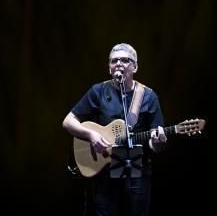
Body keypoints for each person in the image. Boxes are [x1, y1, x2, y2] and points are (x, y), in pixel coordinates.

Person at [63, 43, 167, 216]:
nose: (118, 63)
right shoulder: (98, 91)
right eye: (114, 61)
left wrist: (158, 142)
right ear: (109, 68)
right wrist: (91, 134)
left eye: (125, 60)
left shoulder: (148, 96)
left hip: (138, 173)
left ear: (135, 67)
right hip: (105, 173)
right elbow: (68, 121)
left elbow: (156, 142)